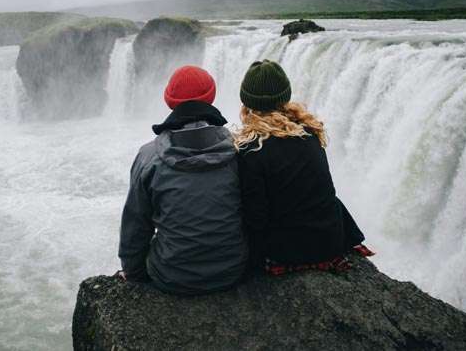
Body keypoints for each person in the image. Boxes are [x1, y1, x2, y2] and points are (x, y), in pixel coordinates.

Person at [234, 60, 373, 276]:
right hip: (330, 241)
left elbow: (256, 218)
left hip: (288, 251)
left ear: (247, 103)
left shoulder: (251, 151)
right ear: (284, 97)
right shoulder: (309, 133)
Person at [118, 65, 248, 294]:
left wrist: (134, 272)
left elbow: (136, 225)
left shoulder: (149, 157)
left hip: (172, 275)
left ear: (169, 101)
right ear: (211, 98)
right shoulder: (239, 151)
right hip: (233, 271)